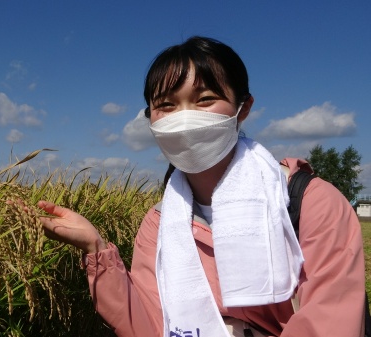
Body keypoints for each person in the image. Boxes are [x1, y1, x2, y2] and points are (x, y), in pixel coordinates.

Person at [37, 36, 365, 337]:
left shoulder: (308, 203)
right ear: (150, 117)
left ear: (243, 108)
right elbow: (149, 324)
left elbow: (330, 324)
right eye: (166, 105)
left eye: (205, 99)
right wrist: (95, 248)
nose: (184, 118)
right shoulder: (160, 222)